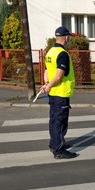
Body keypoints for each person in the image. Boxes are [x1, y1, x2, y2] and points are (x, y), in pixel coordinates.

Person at [40, 26, 77, 159]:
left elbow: (46, 71)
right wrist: (49, 86)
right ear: (66, 37)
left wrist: (46, 84)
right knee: (60, 122)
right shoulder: (63, 54)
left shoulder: (50, 52)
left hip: (53, 94)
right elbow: (59, 76)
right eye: (69, 37)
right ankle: (59, 150)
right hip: (61, 93)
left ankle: (54, 143)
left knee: (54, 120)